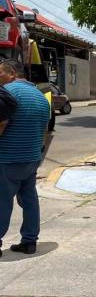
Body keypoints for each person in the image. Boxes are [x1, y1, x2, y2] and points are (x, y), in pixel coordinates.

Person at [0, 59, 51, 257]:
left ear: (12, 73)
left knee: (2, 200)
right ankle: (29, 241)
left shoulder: (7, 92)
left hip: (7, 158)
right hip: (32, 158)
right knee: (29, 199)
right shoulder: (40, 96)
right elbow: (44, 129)